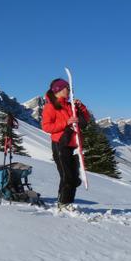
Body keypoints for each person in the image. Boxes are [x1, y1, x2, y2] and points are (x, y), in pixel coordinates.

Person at [40, 78, 90, 210]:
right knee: (67, 175)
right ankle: (64, 203)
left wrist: (81, 107)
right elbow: (46, 127)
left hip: (74, 144)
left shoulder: (69, 105)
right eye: (67, 88)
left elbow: (85, 120)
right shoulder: (50, 106)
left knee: (73, 176)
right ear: (59, 90)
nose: (70, 91)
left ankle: (67, 202)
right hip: (60, 144)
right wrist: (66, 123)